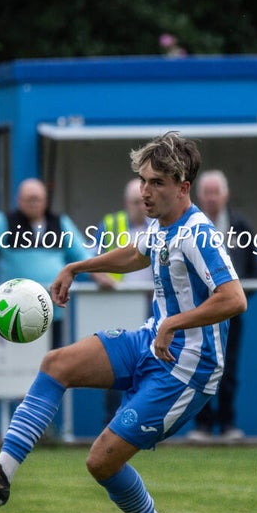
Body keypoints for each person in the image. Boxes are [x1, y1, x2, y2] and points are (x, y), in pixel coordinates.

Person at [0, 132, 247, 513]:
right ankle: (0, 475)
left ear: (183, 187)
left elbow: (233, 298)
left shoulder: (199, 234)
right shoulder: (161, 224)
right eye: (143, 180)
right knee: (57, 364)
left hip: (187, 371)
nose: (145, 191)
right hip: (151, 342)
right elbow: (135, 255)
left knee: (100, 462)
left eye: (157, 183)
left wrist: (174, 323)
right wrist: (77, 266)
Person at [0, 177, 115, 351]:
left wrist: (98, 275)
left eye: (37, 199)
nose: (33, 204)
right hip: (15, 313)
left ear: (45, 201)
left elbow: (82, 254)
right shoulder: (3, 222)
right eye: (29, 199)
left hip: (53, 312)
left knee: (53, 362)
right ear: (18, 201)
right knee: (18, 363)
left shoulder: (60, 223)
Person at [188, 170, 257, 442]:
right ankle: (202, 425)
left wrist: (235, 299)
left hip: (231, 314)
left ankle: (228, 423)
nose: (212, 198)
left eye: (216, 192)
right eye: (207, 192)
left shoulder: (241, 225)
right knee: (199, 365)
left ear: (225, 195)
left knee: (229, 368)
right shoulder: (189, 226)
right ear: (199, 195)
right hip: (198, 313)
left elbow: (254, 272)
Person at [94, 177, 153, 423]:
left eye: (142, 202)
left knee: (148, 365)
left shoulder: (160, 225)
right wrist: (101, 278)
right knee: (114, 365)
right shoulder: (110, 224)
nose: (139, 207)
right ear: (125, 203)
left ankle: (142, 422)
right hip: (118, 306)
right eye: (134, 202)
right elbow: (94, 259)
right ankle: (112, 422)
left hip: (152, 307)